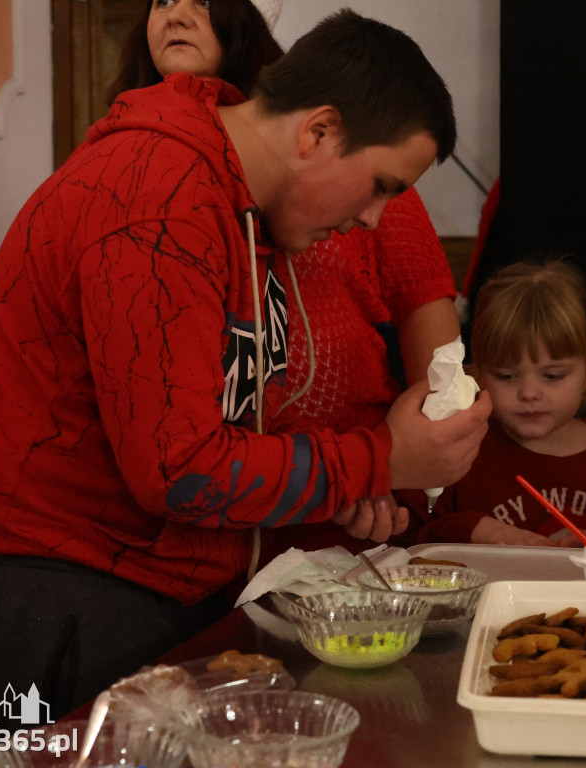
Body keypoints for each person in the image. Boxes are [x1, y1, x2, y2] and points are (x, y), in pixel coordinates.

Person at [0, 9, 490, 765]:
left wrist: (343, 483)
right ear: (319, 132)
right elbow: (180, 468)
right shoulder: (161, 198)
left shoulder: (228, 195)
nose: (373, 218)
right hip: (67, 592)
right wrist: (379, 460)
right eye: (380, 186)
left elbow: (218, 419)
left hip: (139, 579)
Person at [108, 0, 462, 560]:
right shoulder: (165, 190)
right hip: (157, 548)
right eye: (160, 0)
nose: (175, 14)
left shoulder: (301, 185)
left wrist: (393, 473)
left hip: (312, 518)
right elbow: (179, 464)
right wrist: (364, 463)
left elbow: (440, 374)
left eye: (200, 0)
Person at [403, 259, 586, 546]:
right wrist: (473, 529)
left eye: (553, 376)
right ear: (479, 373)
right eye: (506, 375)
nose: (529, 393)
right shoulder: (458, 449)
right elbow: (407, 542)